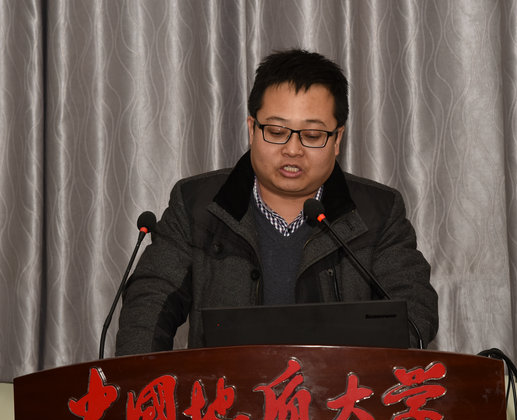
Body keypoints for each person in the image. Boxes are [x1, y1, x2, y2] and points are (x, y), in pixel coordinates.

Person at [115, 49, 438, 356]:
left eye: (312, 135)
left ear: (337, 139)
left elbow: (412, 311)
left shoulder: (378, 212)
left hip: (340, 392)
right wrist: (142, 382)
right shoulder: (196, 205)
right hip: (225, 392)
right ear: (252, 129)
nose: (292, 149)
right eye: (276, 131)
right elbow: (149, 304)